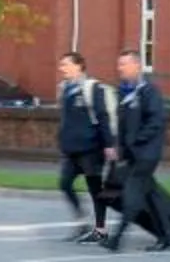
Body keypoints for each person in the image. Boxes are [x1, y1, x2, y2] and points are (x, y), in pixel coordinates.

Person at [102, 49, 170, 250]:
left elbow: (156, 122)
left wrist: (135, 141)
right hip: (134, 155)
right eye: (119, 65)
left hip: (147, 155)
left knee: (132, 196)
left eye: (124, 64)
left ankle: (116, 238)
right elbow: (122, 127)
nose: (120, 69)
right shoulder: (125, 94)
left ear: (137, 66)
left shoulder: (149, 92)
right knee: (151, 197)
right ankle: (168, 237)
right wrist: (120, 147)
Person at [53, 52, 117, 243]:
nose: (62, 68)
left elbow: (103, 116)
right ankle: (82, 222)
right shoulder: (64, 89)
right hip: (71, 150)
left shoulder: (92, 88)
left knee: (95, 189)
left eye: (66, 64)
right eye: (61, 64)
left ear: (79, 66)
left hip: (91, 149)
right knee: (65, 184)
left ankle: (100, 229)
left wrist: (109, 144)